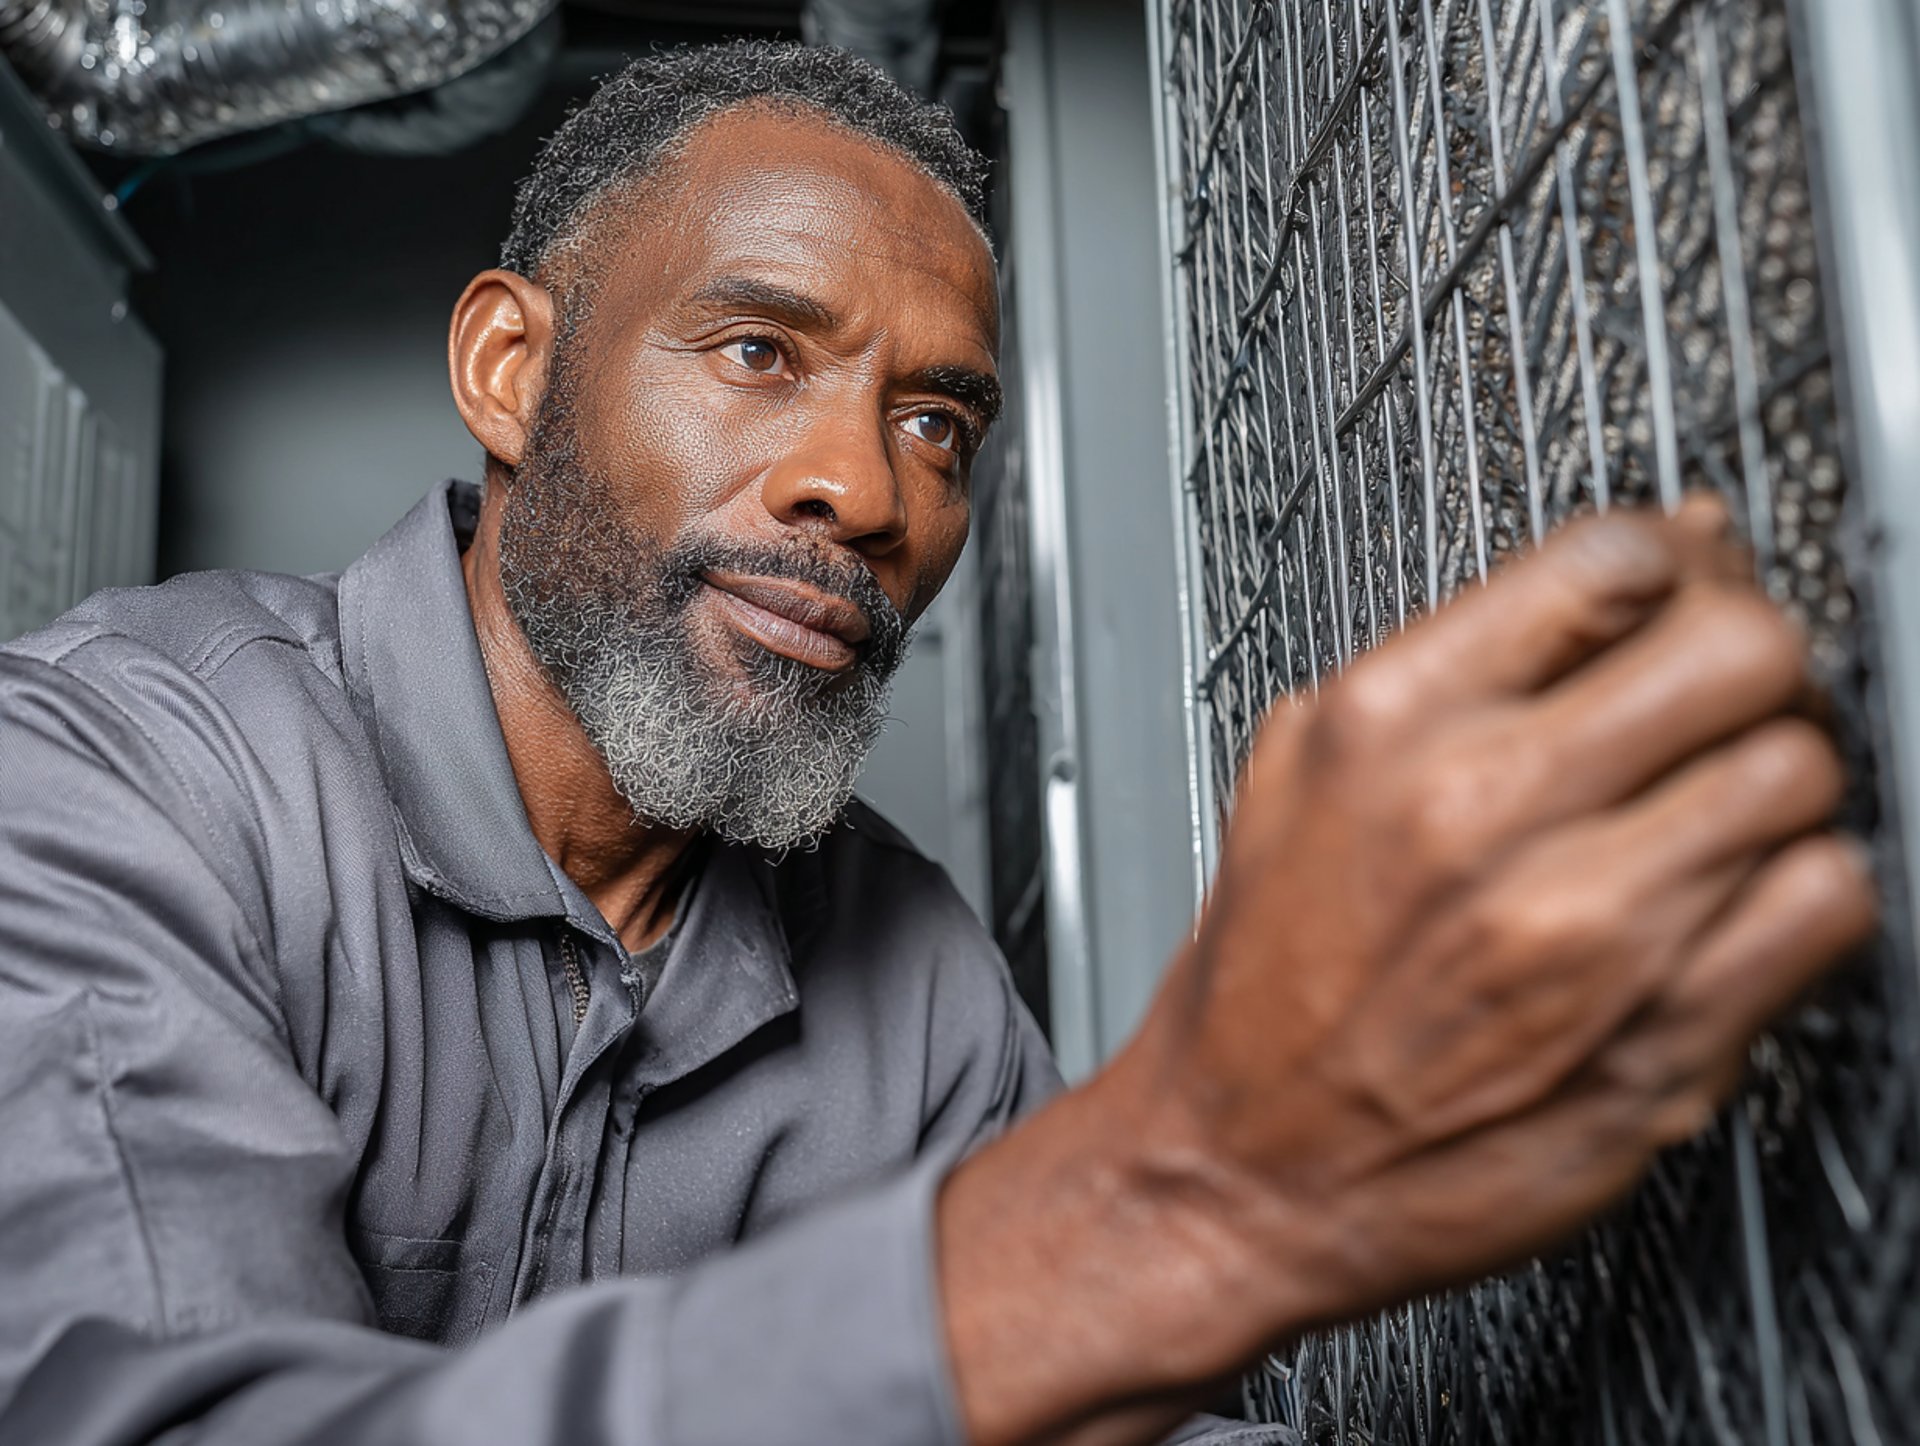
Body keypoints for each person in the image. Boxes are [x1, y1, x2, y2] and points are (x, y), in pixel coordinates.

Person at [0, 39, 1874, 1446]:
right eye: (757, 352)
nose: (862, 490)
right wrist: (1180, 1184)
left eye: (940, 427)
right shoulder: (109, 778)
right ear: (512, 371)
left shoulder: (911, 975)